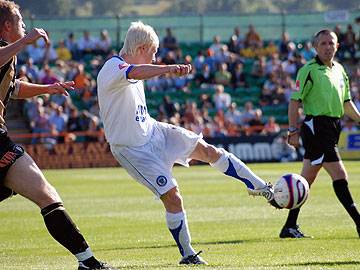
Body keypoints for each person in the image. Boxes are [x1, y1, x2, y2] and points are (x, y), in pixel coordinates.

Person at [97, 21, 279, 266]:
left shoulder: (129, 68)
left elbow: (137, 74)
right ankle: (188, 254)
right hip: (132, 149)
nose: (155, 56)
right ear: (141, 47)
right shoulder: (112, 67)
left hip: (153, 131)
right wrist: (168, 68)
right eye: (153, 51)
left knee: (209, 150)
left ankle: (259, 186)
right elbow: (134, 72)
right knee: (173, 197)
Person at [0, 1, 115, 269]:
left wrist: (48, 89)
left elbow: (13, 88)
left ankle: (87, 262)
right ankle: (88, 262)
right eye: (20, 22)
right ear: (7, 26)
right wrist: (26, 41)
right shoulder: (8, 50)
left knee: (47, 195)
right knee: (47, 195)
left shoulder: (10, 55)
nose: (25, 26)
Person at [282, 29, 360, 238]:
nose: (327, 47)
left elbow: (347, 103)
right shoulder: (308, 70)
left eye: (331, 43)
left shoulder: (340, 70)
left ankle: (289, 226)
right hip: (316, 126)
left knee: (307, 179)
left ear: (337, 46)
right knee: (340, 174)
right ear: (315, 47)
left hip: (333, 127)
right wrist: (292, 129)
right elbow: (295, 101)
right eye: (323, 43)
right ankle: (358, 221)